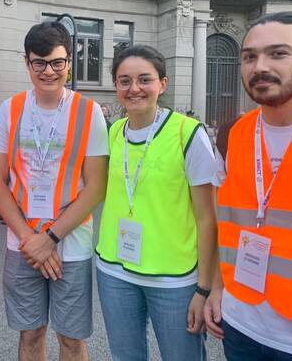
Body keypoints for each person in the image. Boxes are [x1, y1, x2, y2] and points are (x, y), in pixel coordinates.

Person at [204, 11, 292, 361]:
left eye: (278, 53)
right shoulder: (232, 134)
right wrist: (216, 286)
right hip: (240, 324)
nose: (259, 66)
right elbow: (229, 224)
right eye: (249, 56)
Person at [0, 21, 108, 361]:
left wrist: (49, 238)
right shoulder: (9, 111)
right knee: (31, 334)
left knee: (71, 339)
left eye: (57, 62)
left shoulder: (90, 112)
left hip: (71, 244)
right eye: (39, 62)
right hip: (22, 243)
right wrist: (30, 238)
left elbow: (96, 186)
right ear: (27, 63)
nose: (48, 71)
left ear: (69, 62)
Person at [95, 45, 218, 361]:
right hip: (115, 270)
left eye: (144, 79)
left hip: (174, 278)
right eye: (124, 81)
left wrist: (205, 289)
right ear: (116, 87)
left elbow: (208, 218)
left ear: (162, 84)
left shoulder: (187, 133)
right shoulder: (112, 133)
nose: (134, 88)